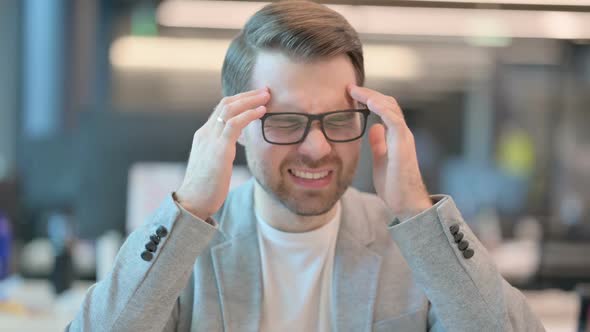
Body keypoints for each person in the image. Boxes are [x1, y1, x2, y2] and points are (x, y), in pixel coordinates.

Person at [68, 1, 545, 331]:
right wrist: (190, 206)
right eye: (286, 120)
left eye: (338, 119)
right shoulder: (187, 247)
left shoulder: (415, 243)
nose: (317, 148)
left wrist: (417, 209)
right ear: (234, 125)